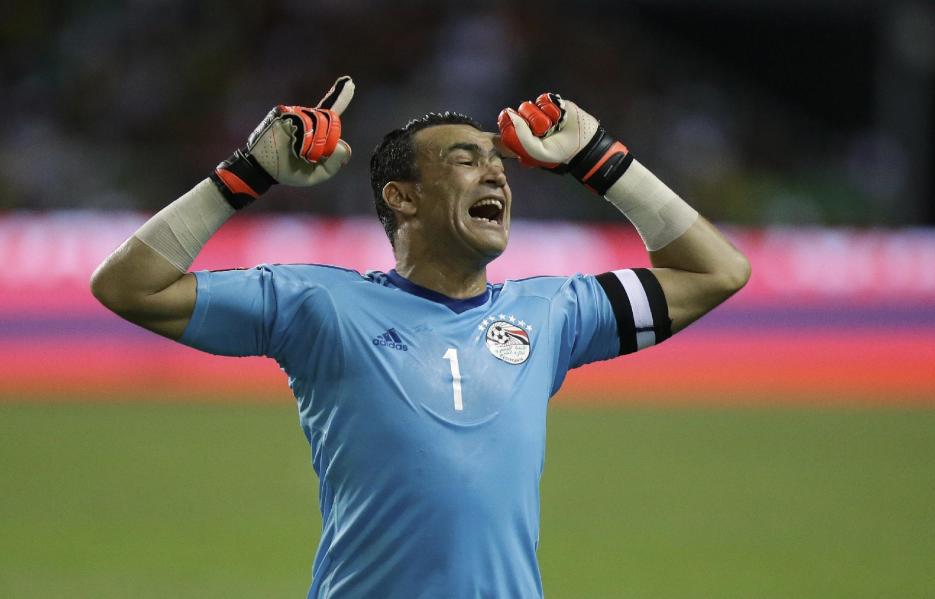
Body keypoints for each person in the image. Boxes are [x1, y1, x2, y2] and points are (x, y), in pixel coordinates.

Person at [91, 76, 750, 598]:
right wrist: (244, 176)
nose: (496, 175)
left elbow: (719, 270)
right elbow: (128, 286)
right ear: (402, 197)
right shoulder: (319, 305)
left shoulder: (552, 312)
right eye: (468, 161)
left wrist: (601, 157)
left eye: (499, 165)